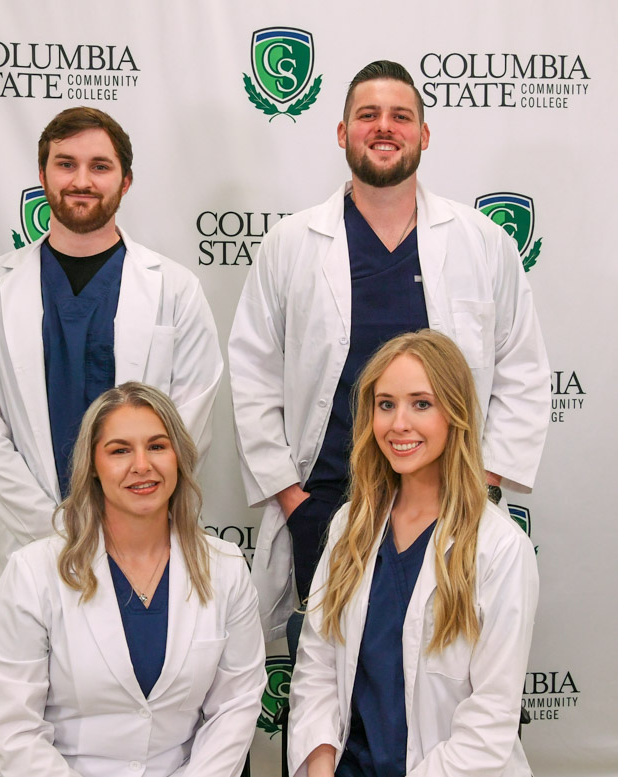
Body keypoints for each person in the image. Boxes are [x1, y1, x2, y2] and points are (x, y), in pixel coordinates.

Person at [228, 60, 549, 640]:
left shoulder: (480, 241)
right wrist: (294, 501)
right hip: (325, 500)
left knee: (448, 666)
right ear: (341, 131)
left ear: (423, 135)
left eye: (401, 116)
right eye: (367, 115)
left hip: (451, 500)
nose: (384, 127)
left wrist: (487, 487)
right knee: (325, 676)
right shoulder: (291, 244)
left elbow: (522, 370)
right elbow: (252, 374)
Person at [0, 107, 223, 578]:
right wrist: (50, 529)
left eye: (100, 166)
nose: (82, 180)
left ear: (125, 180)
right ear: (42, 174)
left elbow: (189, 420)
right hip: (29, 541)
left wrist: (122, 521)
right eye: (66, 163)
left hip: (141, 534)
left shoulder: (175, 288)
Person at [0, 382, 266, 777]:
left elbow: (235, 708)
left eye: (157, 446)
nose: (142, 465)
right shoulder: (33, 573)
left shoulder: (226, 568)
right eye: (119, 450)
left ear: (179, 458)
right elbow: (14, 732)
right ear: (92, 467)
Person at [287, 330, 539, 777]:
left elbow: (490, 722)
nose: (398, 423)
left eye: (421, 404)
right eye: (386, 404)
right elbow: (317, 667)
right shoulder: (351, 525)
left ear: (455, 414)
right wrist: (321, 767)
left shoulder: (500, 547)